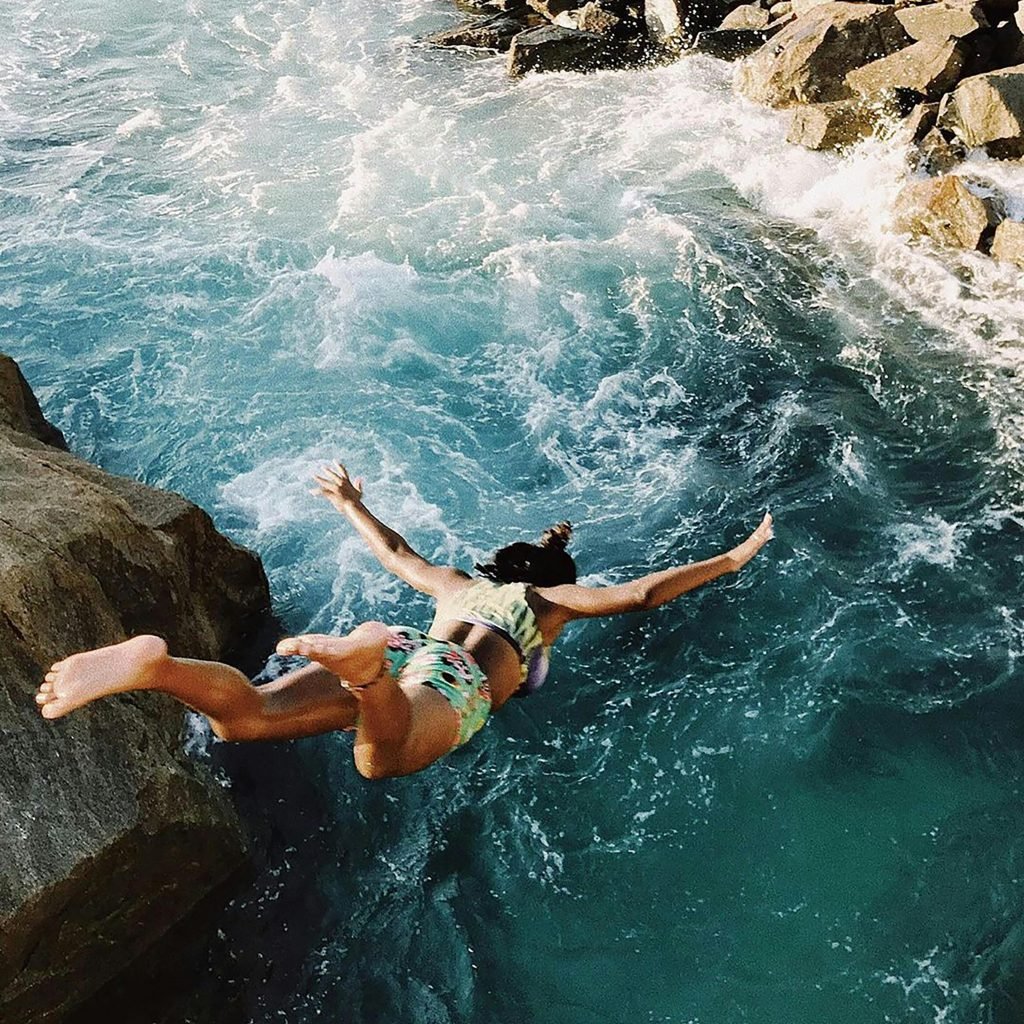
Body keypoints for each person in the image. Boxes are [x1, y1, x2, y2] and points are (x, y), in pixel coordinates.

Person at [36, 463, 774, 780]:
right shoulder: (550, 605)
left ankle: (158, 667)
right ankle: (365, 672)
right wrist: (734, 558)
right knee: (378, 759)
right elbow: (641, 594)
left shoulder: (456, 585)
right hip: (441, 685)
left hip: (418, 643)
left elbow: (395, 552)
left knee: (246, 720)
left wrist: (350, 502)